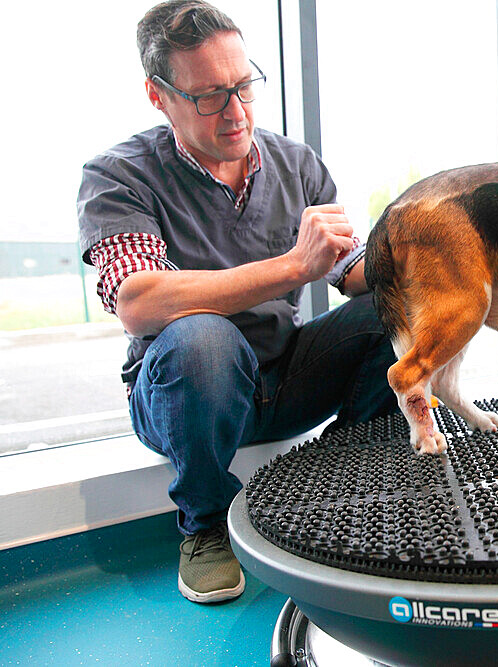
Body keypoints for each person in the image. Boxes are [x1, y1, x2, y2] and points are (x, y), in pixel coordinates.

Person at [77, 0, 398, 603]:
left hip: (285, 376)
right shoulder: (119, 176)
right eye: (208, 96)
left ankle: (340, 476)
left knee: (403, 306)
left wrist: (428, 261)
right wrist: (292, 267)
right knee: (202, 336)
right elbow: (140, 301)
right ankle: (204, 526)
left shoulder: (295, 163)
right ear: (159, 95)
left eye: (243, 86)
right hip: (185, 393)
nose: (235, 112)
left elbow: (350, 271)